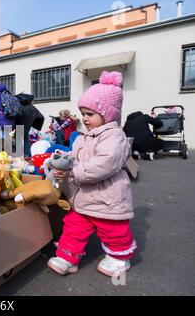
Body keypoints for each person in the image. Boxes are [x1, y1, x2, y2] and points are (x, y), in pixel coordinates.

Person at [47, 71, 137, 277]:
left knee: (113, 228)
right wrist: (66, 157)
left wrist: (74, 171)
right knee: (74, 225)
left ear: (108, 114)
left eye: (90, 114)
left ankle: (118, 258)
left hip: (107, 196)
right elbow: (78, 155)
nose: (84, 119)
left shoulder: (115, 136)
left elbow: (105, 163)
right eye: (82, 113)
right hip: (84, 195)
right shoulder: (82, 136)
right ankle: (68, 257)